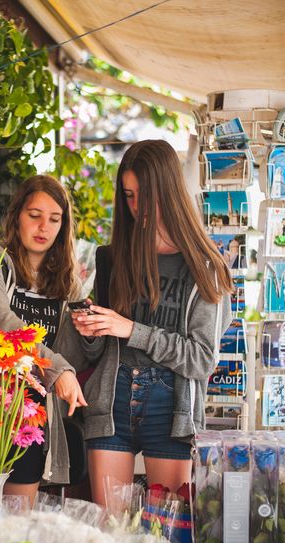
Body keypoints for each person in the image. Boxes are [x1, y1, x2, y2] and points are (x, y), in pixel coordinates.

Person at [72, 139, 233, 506]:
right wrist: (92, 331)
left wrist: (131, 329)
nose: (135, 207)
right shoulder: (112, 258)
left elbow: (201, 359)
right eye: (128, 195)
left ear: (169, 190)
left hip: (171, 409)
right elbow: (99, 352)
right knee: (110, 536)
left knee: (166, 540)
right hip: (111, 403)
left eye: (145, 194)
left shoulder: (205, 268)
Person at [0, 175, 89, 505]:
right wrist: (58, 368)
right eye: (34, 215)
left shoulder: (66, 284)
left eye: (54, 219)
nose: (43, 226)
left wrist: (91, 330)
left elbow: (73, 357)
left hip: (32, 416)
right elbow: (0, 324)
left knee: (18, 520)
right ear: (17, 215)